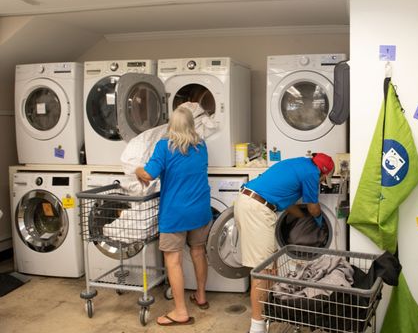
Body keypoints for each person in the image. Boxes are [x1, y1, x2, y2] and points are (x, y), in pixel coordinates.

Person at [234, 153, 335, 333]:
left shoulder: (299, 164)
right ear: (323, 174)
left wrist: (303, 221)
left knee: (271, 267)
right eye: (323, 180)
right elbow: (313, 207)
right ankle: (256, 327)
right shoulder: (312, 173)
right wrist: (319, 224)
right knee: (262, 271)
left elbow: (288, 204)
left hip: (252, 203)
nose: (320, 183)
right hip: (257, 209)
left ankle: (269, 313)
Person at [135, 106, 212, 327]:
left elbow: (148, 175)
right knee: (198, 252)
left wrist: (137, 170)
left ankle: (180, 312)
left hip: (175, 212)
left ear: (171, 125)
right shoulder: (201, 146)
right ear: (191, 124)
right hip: (200, 209)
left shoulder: (164, 146)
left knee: (173, 260)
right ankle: (201, 296)